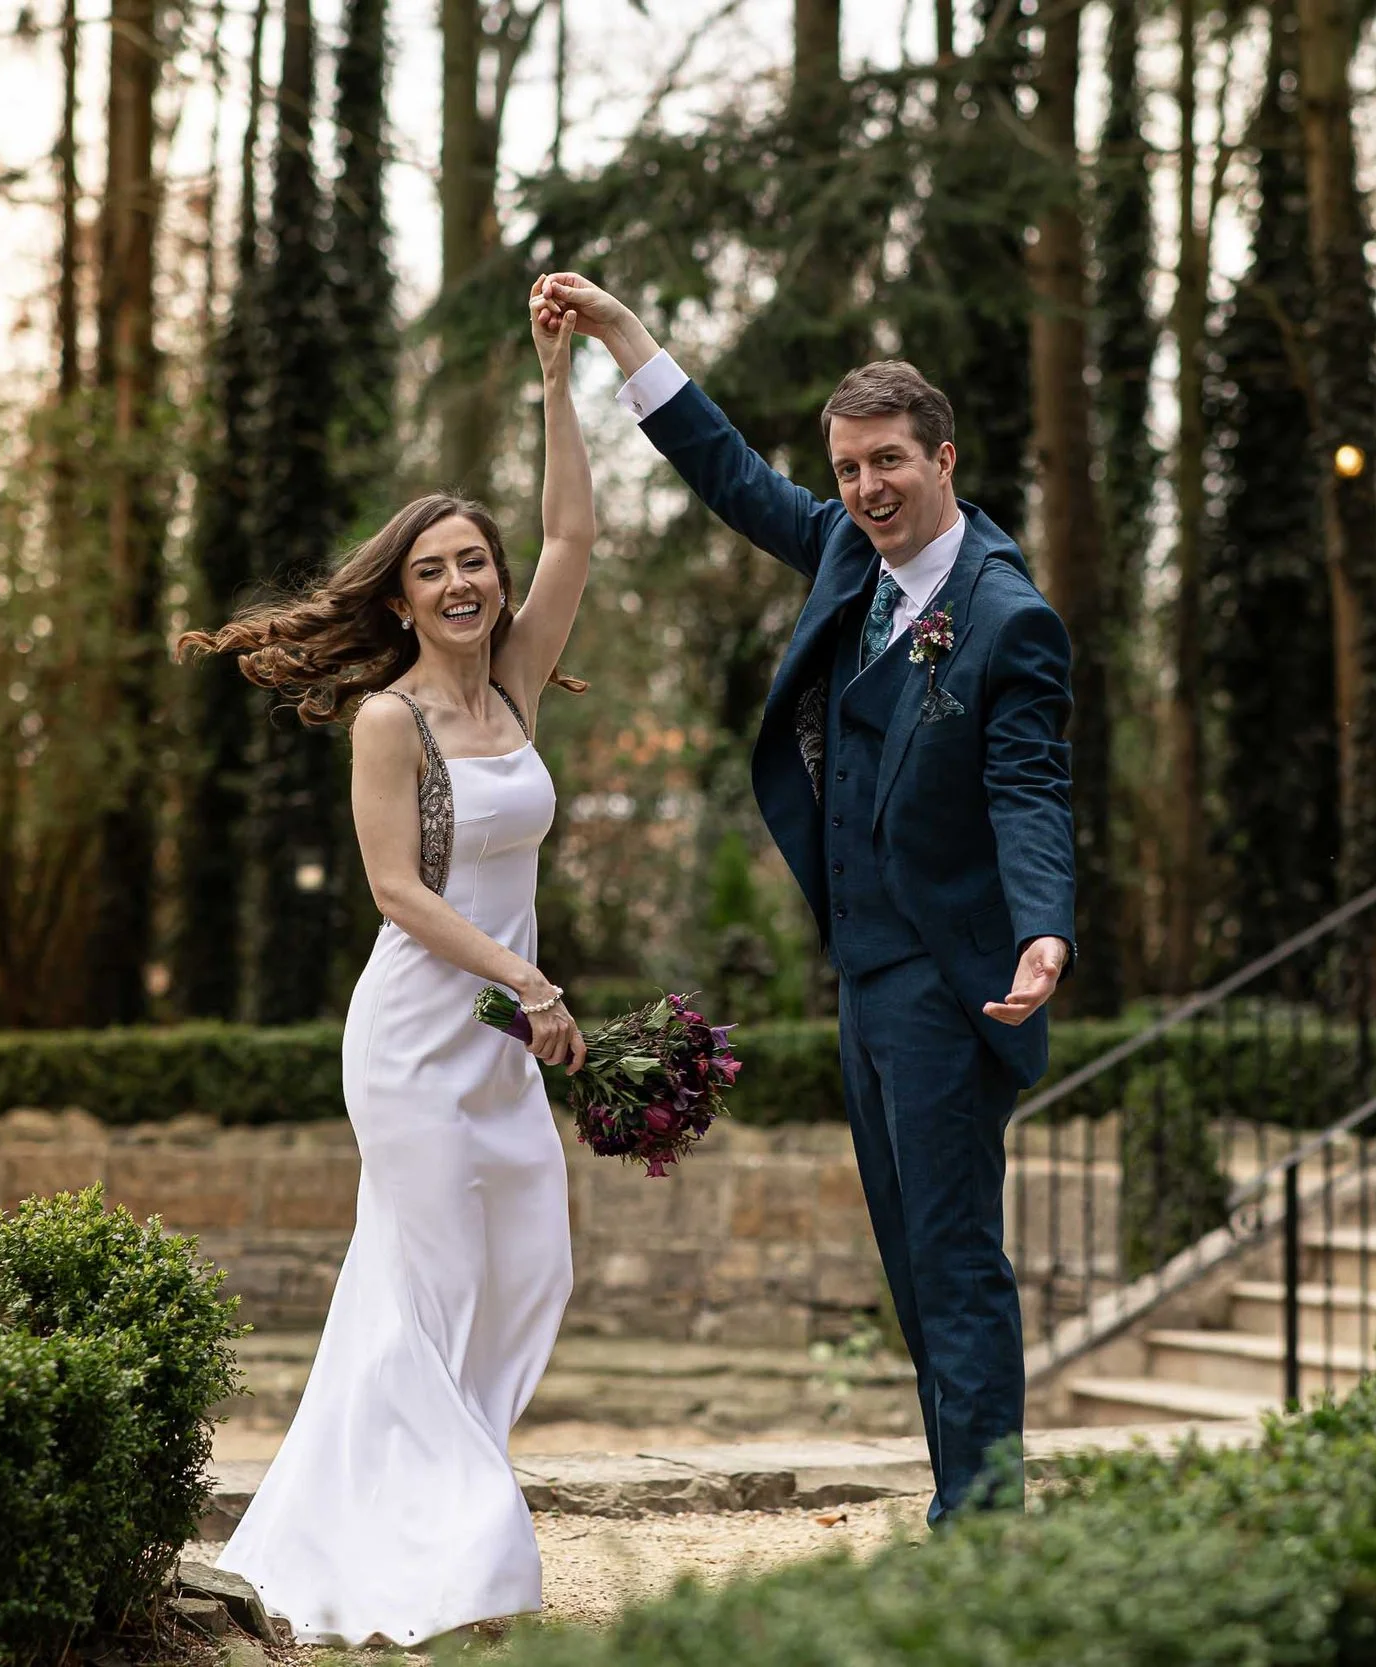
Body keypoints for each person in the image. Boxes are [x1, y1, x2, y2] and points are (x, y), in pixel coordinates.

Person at [540, 272, 1075, 1527]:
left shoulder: (1009, 617)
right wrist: (626, 338)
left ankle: (984, 1526)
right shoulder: (846, 546)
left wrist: (1045, 922)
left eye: (888, 461)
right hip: (865, 977)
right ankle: (967, 1498)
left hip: (955, 983)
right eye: (846, 469)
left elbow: (1030, 791)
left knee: (953, 1259)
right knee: (908, 1257)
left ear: (944, 457)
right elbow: (732, 476)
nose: (865, 488)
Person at [176, 280, 595, 1646]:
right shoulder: (389, 718)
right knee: (424, 1285)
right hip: (421, 1035)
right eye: (439, 569)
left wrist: (556, 376)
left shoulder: (519, 684)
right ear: (402, 597)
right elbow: (395, 890)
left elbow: (578, 532)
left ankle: (400, 1510)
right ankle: (463, 1548)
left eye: (478, 559)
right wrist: (528, 984)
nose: (469, 581)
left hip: (504, 1031)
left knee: (530, 1261)